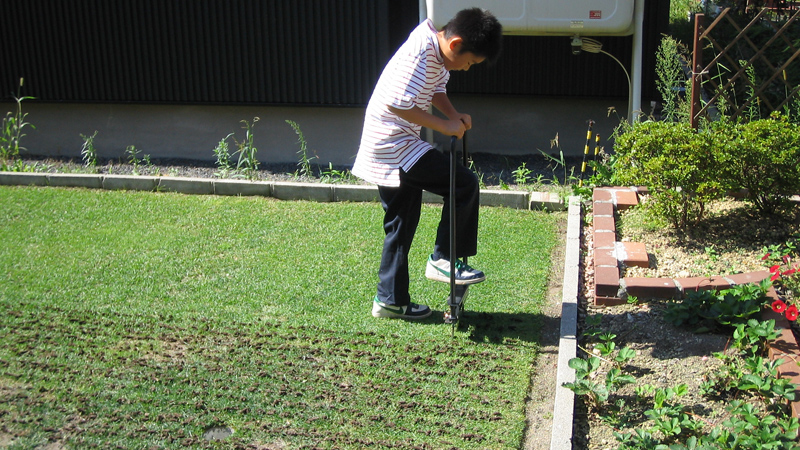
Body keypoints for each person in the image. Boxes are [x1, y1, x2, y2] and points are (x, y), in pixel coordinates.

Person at [352, 8, 503, 320]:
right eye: (470, 62)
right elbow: (397, 102)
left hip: (392, 144)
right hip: (394, 146)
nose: (467, 68)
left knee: (401, 222)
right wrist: (444, 126)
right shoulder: (421, 53)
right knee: (463, 183)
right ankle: (443, 258)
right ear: (456, 42)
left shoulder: (434, 51)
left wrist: (451, 115)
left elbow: (435, 89)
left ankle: (390, 301)